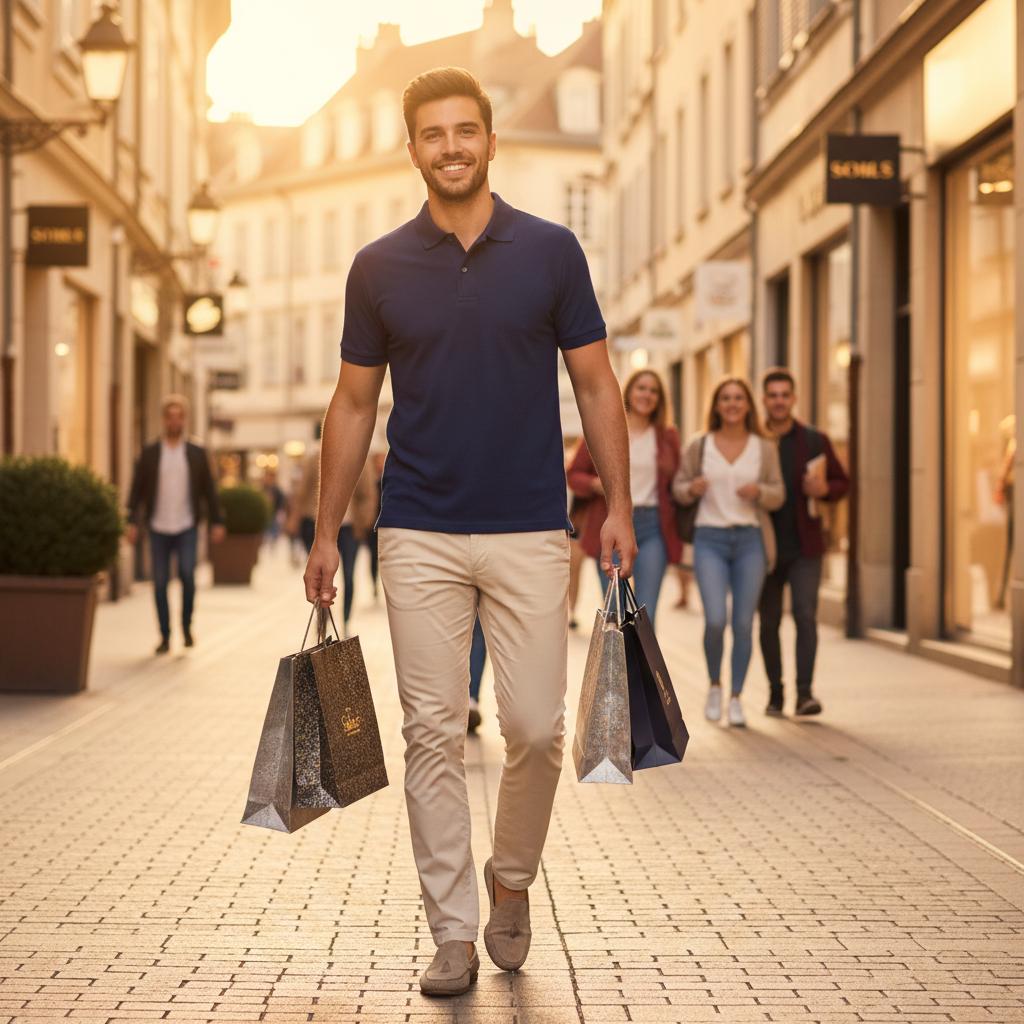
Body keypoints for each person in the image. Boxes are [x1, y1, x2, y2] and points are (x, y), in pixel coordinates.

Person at [302, 67, 635, 997]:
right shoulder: (377, 268)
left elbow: (598, 385)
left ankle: (511, 880)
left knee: (533, 727)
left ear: (493, 142)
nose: (450, 147)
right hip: (417, 530)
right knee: (431, 733)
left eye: (466, 131)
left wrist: (618, 508)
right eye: (432, 134)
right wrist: (328, 533)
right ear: (411, 149)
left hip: (533, 525)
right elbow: (354, 402)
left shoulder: (552, 251)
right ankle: (451, 930)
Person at [672, 377, 784, 727]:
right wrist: (692, 488)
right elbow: (677, 489)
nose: (733, 404)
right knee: (716, 619)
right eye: (725, 399)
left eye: (738, 398)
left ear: (748, 405)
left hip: (750, 540)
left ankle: (736, 697)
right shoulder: (699, 445)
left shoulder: (763, 447)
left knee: (743, 624)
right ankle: (715, 686)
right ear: (717, 405)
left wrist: (761, 492)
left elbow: (779, 493)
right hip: (710, 540)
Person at [758, 369, 850, 717]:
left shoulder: (814, 440)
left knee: (805, 615)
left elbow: (843, 482)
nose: (779, 401)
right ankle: (775, 694)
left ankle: (805, 694)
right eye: (773, 395)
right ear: (765, 400)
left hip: (805, 546)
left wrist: (825, 490)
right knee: (768, 622)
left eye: (785, 394)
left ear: (793, 399)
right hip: (764, 546)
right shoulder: (756, 439)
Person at [568, 368, 680, 626]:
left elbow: (675, 483)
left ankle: (643, 667)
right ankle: (621, 666)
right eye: (642, 388)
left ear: (660, 399)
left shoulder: (667, 436)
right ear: (628, 391)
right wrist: (595, 484)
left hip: (652, 526)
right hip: (611, 524)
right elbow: (574, 475)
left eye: (653, 391)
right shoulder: (605, 429)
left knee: (645, 613)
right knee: (616, 613)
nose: (647, 395)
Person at [125, 394, 224, 654]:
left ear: (185, 419)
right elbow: (136, 490)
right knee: (158, 582)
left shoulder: (196, 452)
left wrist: (217, 521)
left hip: (186, 525)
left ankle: (186, 626)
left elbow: (209, 489)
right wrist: (131, 521)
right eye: (170, 416)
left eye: (179, 416)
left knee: (188, 577)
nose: (174, 421)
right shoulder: (150, 453)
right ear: (163, 419)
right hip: (158, 526)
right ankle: (165, 635)